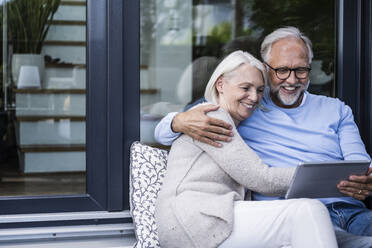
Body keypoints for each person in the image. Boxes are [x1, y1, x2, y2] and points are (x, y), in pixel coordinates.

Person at [154, 27, 372, 247]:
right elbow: (260, 177)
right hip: (245, 213)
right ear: (268, 69)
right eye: (282, 70)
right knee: (315, 216)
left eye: (301, 70)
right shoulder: (226, 113)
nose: (292, 79)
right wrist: (176, 121)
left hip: (348, 210)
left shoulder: (334, 109)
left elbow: (361, 165)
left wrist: (365, 179)